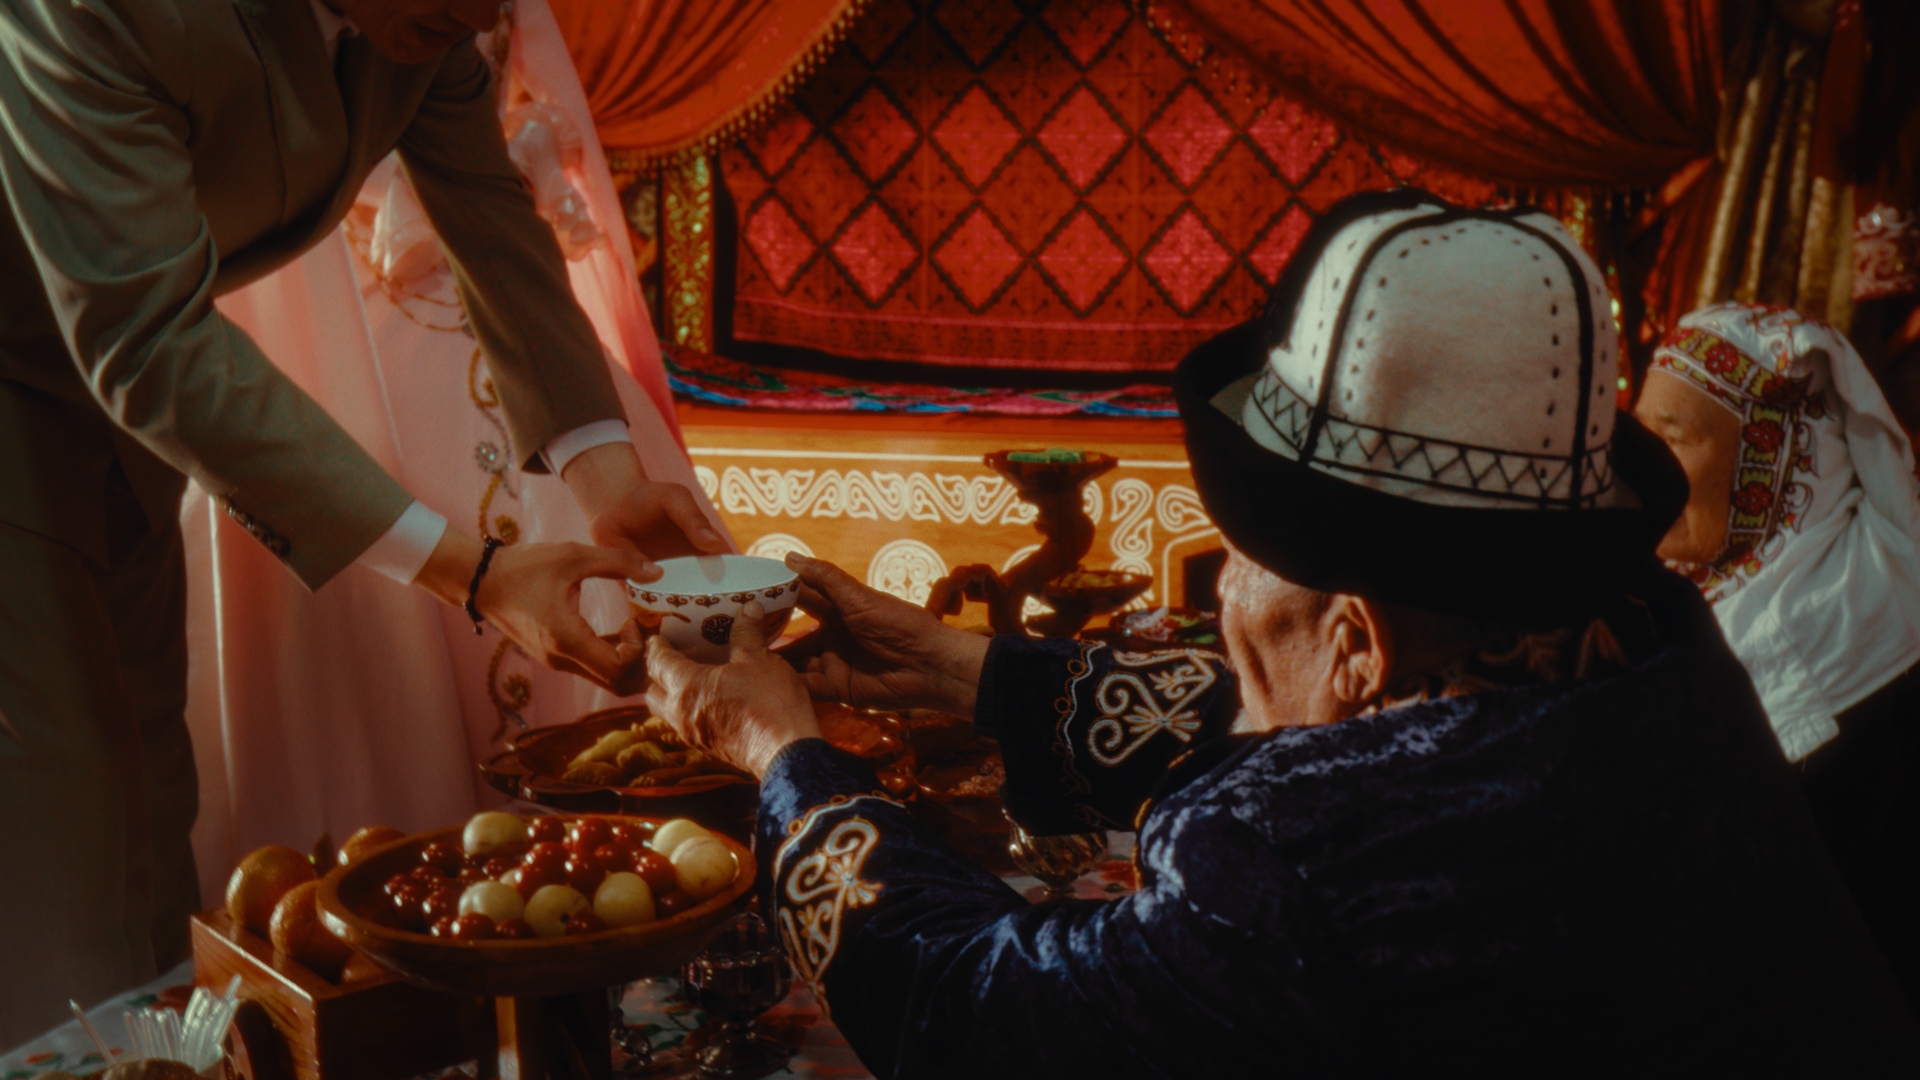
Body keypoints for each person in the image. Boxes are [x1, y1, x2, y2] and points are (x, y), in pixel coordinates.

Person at [643, 191, 1920, 1076]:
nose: (1218, 601)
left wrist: (785, 758)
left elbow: (990, 1023)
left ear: (1358, 643)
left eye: (1240, 561)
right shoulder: (1643, 638)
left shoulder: (1290, 854)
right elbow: (1373, 754)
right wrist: (962, 668)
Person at [0, 0, 720, 1044]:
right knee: (61, 814)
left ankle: (155, 1058)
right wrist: (474, 573)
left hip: (111, 397)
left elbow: (497, 229)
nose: (488, 13)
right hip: (34, 378)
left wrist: (610, 483)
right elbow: (150, 340)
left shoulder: (434, 24)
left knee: (151, 787)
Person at [1635, 301, 1920, 1002]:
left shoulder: (1864, 632)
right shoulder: (1677, 601)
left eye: (1676, 436)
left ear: (1780, 450)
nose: (1647, 469)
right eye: (1642, 433)